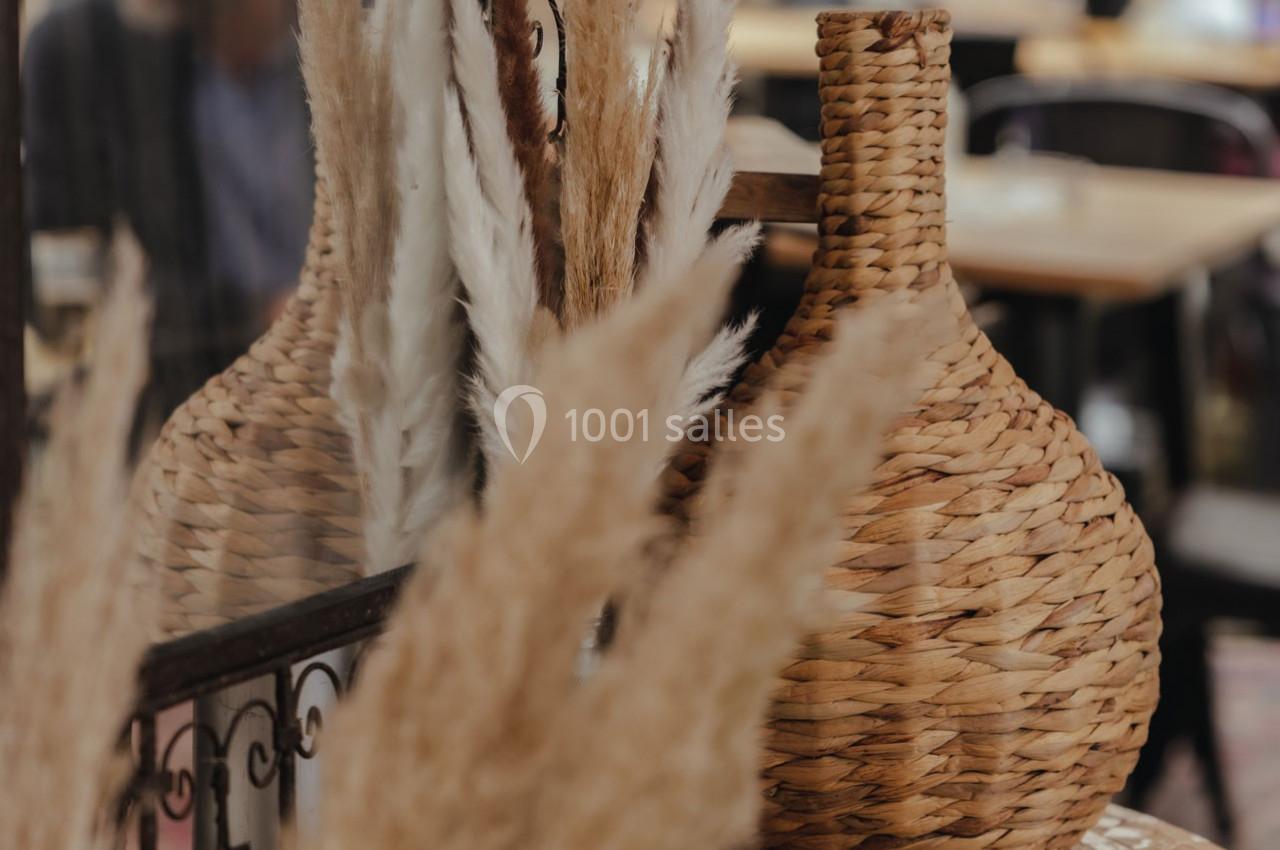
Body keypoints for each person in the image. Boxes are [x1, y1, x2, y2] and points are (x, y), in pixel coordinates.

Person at [23, 0, 314, 419]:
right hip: (186, 428)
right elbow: (64, 307)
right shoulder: (82, 53)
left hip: (356, 409)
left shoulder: (377, 28)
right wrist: (267, 317)